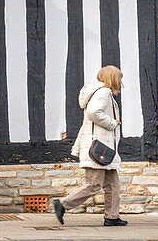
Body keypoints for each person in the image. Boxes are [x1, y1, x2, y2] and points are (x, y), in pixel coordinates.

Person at [53, 65, 127, 227]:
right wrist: (112, 123)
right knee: (94, 184)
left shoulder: (103, 93)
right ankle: (63, 204)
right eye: (119, 78)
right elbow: (94, 112)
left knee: (114, 185)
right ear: (112, 78)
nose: (120, 82)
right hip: (99, 148)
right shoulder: (103, 93)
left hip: (105, 149)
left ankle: (112, 217)